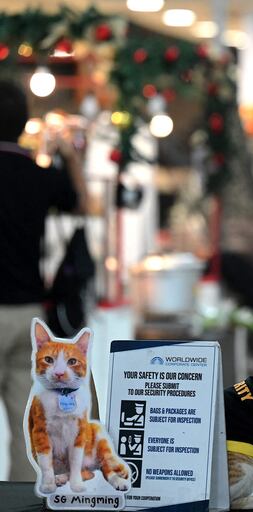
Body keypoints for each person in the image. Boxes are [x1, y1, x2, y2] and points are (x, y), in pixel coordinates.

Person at [0, 79, 87, 481]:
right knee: (28, 422)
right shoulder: (37, 176)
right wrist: (69, 155)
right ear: (22, 124)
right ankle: (22, 497)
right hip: (29, 316)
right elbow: (82, 202)